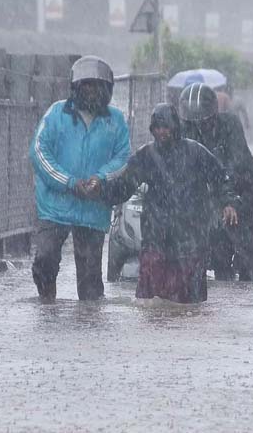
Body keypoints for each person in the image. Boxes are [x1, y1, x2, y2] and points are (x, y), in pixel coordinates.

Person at [75, 104, 239, 304]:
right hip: (156, 237)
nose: (162, 132)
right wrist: (100, 190)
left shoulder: (196, 152)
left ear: (175, 127)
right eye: (158, 128)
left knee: (191, 303)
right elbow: (123, 187)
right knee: (150, 301)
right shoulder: (146, 156)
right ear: (152, 129)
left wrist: (228, 203)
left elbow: (221, 178)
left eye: (166, 127)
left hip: (190, 239)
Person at [30, 55, 131, 303]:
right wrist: (69, 182)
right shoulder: (56, 114)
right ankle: (46, 305)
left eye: (98, 86)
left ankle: (89, 326)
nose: (92, 91)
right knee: (45, 258)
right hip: (55, 205)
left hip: (93, 207)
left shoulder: (115, 121)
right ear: (76, 87)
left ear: (106, 90)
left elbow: (123, 158)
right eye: (86, 85)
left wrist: (100, 179)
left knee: (90, 280)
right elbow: (40, 152)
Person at [178, 83, 253, 281]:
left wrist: (229, 200)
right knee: (204, 248)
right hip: (208, 194)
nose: (199, 127)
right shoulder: (182, 129)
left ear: (213, 116)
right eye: (193, 123)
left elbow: (235, 164)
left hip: (243, 190)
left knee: (249, 258)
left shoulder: (230, 125)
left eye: (204, 122)